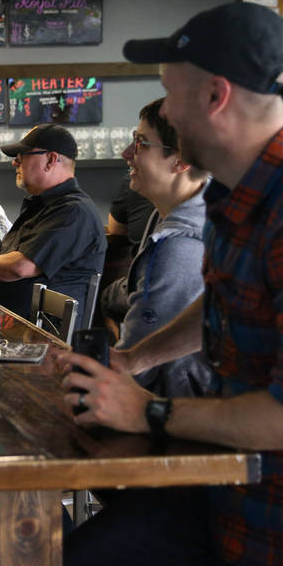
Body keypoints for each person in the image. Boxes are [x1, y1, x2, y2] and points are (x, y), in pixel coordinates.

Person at [60, 2, 283, 566]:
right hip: (222, 496)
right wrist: (134, 360)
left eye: (170, 96)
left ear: (215, 96)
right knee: (53, 565)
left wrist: (149, 410)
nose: (167, 112)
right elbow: (227, 298)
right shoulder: (239, 192)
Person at [100, 98, 216, 398]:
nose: (127, 154)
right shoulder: (172, 212)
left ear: (181, 160)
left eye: (140, 143)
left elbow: (136, 371)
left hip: (181, 418)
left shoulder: (177, 245)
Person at [0, 124, 106, 320]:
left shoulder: (73, 211)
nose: (15, 163)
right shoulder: (42, 205)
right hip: (12, 325)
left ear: (51, 160)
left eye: (23, 155)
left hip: (43, 339)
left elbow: (20, 267)